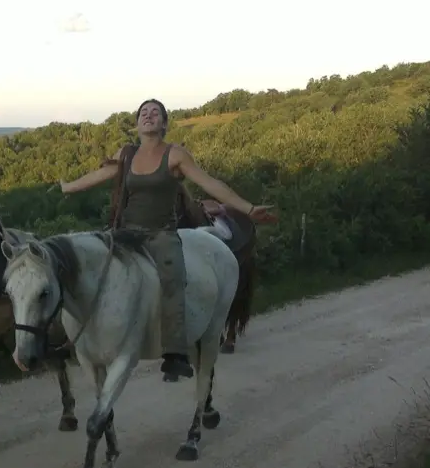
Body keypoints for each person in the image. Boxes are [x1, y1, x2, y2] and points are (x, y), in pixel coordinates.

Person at [57, 98, 275, 381]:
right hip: (125, 232)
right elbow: (102, 174)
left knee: (172, 280)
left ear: (164, 124)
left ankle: (175, 353)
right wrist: (68, 187)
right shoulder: (126, 153)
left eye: (155, 113)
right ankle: (83, 336)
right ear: (137, 123)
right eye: (143, 113)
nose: (148, 116)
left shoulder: (175, 155)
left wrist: (247, 208)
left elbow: (210, 184)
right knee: (92, 268)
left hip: (161, 235)